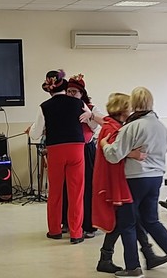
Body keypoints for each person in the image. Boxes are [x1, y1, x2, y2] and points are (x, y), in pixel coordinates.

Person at [100, 87, 167, 278]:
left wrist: (105, 145)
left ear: (133, 104)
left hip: (134, 179)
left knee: (127, 223)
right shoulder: (160, 126)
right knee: (151, 220)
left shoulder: (131, 127)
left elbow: (114, 156)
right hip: (156, 177)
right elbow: (164, 149)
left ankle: (133, 267)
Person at [93, 93, 167, 273]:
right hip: (117, 181)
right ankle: (108, 257)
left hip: (121, 179)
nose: (132, 110)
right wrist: (132, 154)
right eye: (129, 107)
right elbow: (113, 153)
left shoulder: (116, 125)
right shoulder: (112, 127)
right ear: (121, 110)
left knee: (131, 219)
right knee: (124, 221)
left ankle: (145, 255)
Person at [28, 69, 91, 244]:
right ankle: (76, 233)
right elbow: (91, 121)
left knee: (55, 191)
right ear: (65, 86)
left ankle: (55, 230)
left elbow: (35, 134)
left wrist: (32, 130)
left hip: (55, 149)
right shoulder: (78, 103)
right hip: (77, 148)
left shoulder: (44, 107)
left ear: (50, 89)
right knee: (76, 192)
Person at [62, 73, 104, 238]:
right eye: (69, 91)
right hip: (68, 150)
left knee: (86, 188)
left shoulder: (91, 108)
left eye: (74, 92)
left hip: (85, 150)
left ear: (82, 94)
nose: (71, 95)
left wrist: (90, 116)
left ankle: (88, 224)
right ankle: (67, 221)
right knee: (67, 186)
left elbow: (105, 122)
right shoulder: (63, 107)